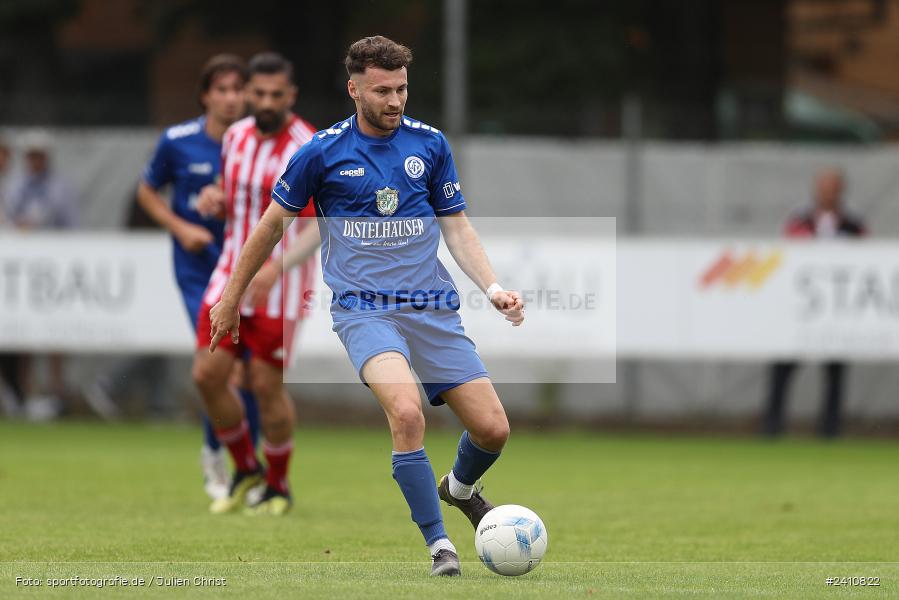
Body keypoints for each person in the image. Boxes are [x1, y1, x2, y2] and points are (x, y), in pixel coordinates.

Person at [206, 36, 524, 576]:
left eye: (401, 89)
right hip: (364, 311)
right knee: (406, 413)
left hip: (432, 310)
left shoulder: (430, 144)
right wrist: (231, 297)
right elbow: (269, 227)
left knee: (493, 430)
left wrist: (492, 287)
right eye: (382, 91)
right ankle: (439, 545)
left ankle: (459, 488)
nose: (395, 101)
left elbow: (457, 227)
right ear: (354, 89)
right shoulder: (321, 151)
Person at [192, 52, 318, 516]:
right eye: (258, 93)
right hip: (229, 272)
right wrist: (216, 198)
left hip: (280, 285)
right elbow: (239, 199)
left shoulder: (308, 145)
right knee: (206, 375)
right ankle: (246, 467)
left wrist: (276, 268)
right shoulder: (236, 137)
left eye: (275, 94)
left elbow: (316, 227)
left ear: (291, 95)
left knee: (265, 385)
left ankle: (278, 486)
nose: (265, 102)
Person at [133, 54, 260, 499]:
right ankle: (216, 459)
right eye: (221, 90)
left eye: (237, 89)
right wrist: (181, 226)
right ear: (206, 95)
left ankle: (252, 470)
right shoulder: (178, 140)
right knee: (216, 368)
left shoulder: (255, 144)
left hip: (246, 271)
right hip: (198, 272)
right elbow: (146, 191)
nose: (230, 98)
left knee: (251, 373)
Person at [762, 167, 866, 438]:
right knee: (782, 367)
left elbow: (867, 257)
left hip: (836, 310)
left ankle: (830, 432)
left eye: (832, 187)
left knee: (835, 372)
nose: (827, 192)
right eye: (823, 187)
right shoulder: (800, 221)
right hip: (799, 309)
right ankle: (772, 429)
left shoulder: (853, 225)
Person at [4, 130, 79, 420]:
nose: (34, 160)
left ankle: (56, 389)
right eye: (30, 155)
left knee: (55, 331)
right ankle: (25, 391)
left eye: (39, 155)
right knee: (23, 332)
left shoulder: (60, 188)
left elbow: (73, 226)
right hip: (22, 271)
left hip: (55, 269)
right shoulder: (16, 186)